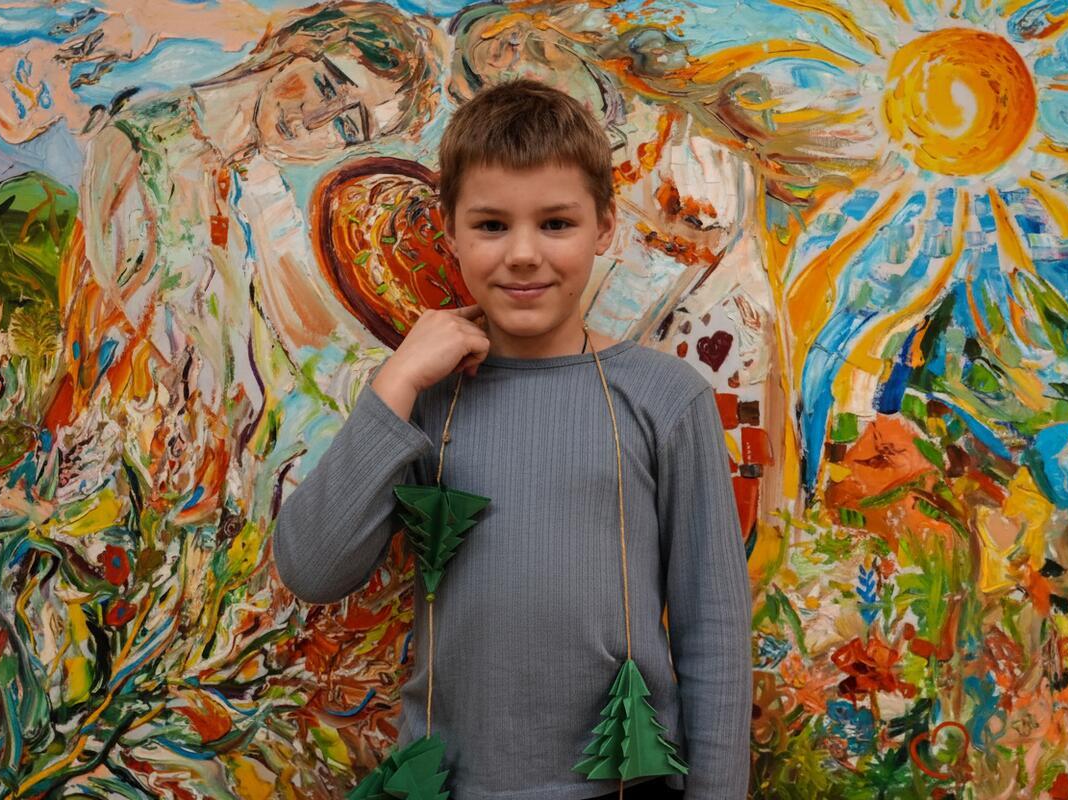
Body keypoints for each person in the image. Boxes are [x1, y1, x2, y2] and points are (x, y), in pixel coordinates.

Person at [272, 79, 751, 800]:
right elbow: (311, 569)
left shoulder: (664, 398)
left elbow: (712, 627)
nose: (523, 254)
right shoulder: (424, 397)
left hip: (621, 788)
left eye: (556, 224)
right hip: (452, 785)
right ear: (450, 230)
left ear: (606, 228)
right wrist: (398, 380)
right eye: (492, 225)